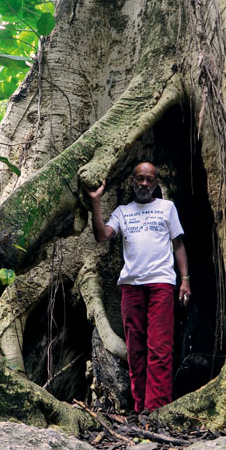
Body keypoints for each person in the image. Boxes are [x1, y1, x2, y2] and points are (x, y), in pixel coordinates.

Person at [86, 163, 191, 414]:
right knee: (135, 350)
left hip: (161, 283)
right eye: (140, 179)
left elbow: (178, 245)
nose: (144, 184)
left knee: (160, 347)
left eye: (149, 180)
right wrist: (95, 203)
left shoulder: (166, 208)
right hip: (131, 286)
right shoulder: (123, 212)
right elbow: (102, 235)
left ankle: (157, 410)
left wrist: (185, 279)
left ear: (156, 183)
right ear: (132, 181)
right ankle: (140, 408)